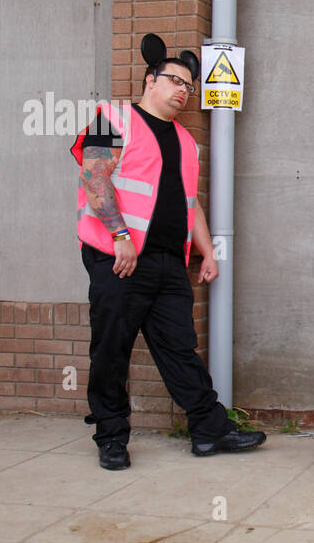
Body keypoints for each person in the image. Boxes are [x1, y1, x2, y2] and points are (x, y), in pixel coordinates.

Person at [72, 38, 266, 470]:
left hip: (167, 263)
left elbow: (188, 203)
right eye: (175, 80)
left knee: (179, 349)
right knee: (111, 350)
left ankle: (209, 430)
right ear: (149, 80)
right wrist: (120, 234)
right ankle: (111, 437)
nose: (183, 89)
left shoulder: (184, 141)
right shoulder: (113, 117)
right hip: (118, 260)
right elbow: (94, 177)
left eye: (189, 85)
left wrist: (207, 252)